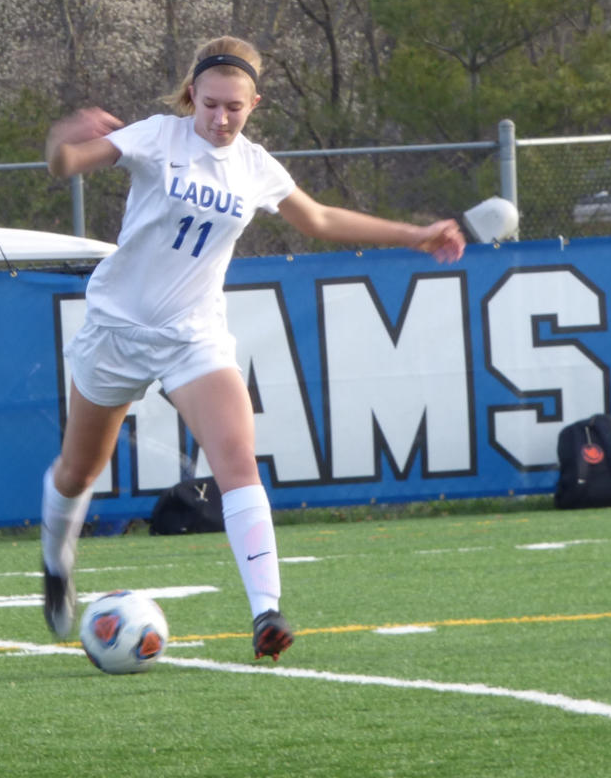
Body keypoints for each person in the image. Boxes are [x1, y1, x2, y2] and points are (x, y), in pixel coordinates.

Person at [40, 35, 466, 661]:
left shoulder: (255, 166)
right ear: (192, 95)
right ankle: (57, 562)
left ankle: (266, 610)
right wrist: (61, 138)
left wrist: (416, 236)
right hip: (116, 330)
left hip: (194, 336)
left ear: (254, 104)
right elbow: (65, 165)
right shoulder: (158, 135)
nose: (219, 118)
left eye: (233, 108)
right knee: (79, 471)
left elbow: (318, 220)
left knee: (238, 462)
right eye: (209, 104)